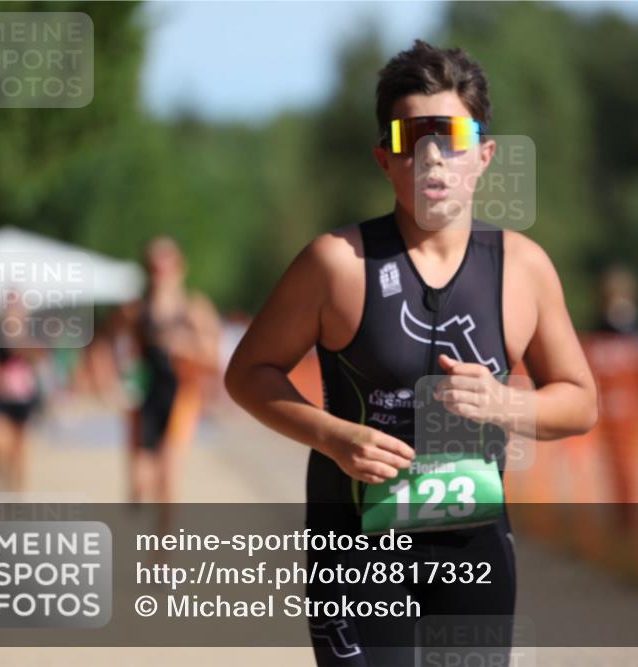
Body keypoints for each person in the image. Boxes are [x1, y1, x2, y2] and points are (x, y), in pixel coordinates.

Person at [225, 39, 598, 666]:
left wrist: (506, 405)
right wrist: (334, 436)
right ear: (385, 160)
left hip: (473, 552)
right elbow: (247, 374)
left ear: (483, 156)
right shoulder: (337, 265)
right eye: (410, 140)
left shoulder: (523, 269)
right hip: (357, 552)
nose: (432, 158)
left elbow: (581, 402)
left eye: (449, 137)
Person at [100, 237, 221, 512]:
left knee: (167, 481)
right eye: (155, 266)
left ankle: (159, 554)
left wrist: (186, 347)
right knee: (141, 482)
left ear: (180, 267)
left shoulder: (194, 309)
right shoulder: (135, 310)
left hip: (179, 395)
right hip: (144, 395)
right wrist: (111, 379)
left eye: (167, 265)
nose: (161, 273)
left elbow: (215, 359)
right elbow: (105, 342)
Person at [0, 292, 43, 492]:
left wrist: (23, 345)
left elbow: (40, 357)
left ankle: (15, 492)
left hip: (23, 396)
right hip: (2, 396)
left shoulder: (31, 332)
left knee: (19, 448)